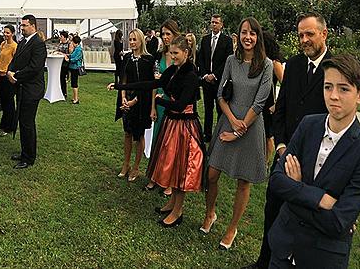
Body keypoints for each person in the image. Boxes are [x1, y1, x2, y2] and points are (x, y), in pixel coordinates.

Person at [267, 53, 360, 268]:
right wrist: (321, 198)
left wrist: (296, 188)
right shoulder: (308, 125)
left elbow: (338, 223)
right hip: (282, 247)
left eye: (343, 89)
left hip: (321, 257)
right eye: (328, 87)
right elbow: (277, 181)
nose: (333, 95)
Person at [245, 12, 332, 269]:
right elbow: (280, 109)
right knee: (272, 208)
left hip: (315, 162)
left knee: (305, 219)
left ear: (324, 34)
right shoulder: (292, 65)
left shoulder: (335, 69)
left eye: (309, 34)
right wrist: (281, 144)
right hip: (286, 155)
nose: (304, 40)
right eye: (300, 35)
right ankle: (264, 261)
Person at [109, 34, 204, 227]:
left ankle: (178, 211)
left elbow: (180, 105)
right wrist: (121, 86)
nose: (173, 56)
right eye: (171, 53)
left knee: (180, 167)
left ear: (186, 52)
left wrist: (159, 101)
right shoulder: (174, 70)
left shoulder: (191, 75)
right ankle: (172, 203)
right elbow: (150, 84)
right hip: (173, 123)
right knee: (173, 165)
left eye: (176, 53)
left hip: (184, 126)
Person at [203, 17, 273, 249]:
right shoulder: (232, 61)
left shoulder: (266, 65)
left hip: (251, 127)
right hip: (229, 121)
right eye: (244, 32)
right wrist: (232, 121)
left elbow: (260, 102)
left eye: (252, 33)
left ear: (258, 37)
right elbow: (220, 95)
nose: (248, 37)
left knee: (243, 181)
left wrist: (239, 129)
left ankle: (232, 228)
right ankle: (210, 213)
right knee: (212, 174)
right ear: (238, 35)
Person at [113, 29, 156, 183]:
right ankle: (126, 164)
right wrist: (124, 98)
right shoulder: (127, 58)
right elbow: (123, 79)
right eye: (130, 39)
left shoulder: (148, 60)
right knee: (127, 133)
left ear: (140, 41)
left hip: (141, 101)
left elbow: (149, 85)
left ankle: (136, 167)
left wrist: (135, 100)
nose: (131, 42)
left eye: (134, 39)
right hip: (127, 99)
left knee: (139, 135)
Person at [7, 15, 47, 169]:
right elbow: (15, 60)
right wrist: (10, 71)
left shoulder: (38, 44)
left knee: (27, 123)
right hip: (22, 88)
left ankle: (29, 158)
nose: (21, 28)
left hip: (31, 90)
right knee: (22, 122)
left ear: (33, 26)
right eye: (21, 25)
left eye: (24, 25)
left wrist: (15, 76)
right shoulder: (23, 41)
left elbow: (35, 67)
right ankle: (25, 151)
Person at [147, 19, 181, 193]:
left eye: (169, 33)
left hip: (174, 104)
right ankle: (154, 176)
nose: (166, 37)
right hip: (159, 104)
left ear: (175, 34)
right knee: (157, 140)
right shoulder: (158, 56)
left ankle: (168, 181)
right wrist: (152, 106)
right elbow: (154, 83)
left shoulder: (180, 57)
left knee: (171, 143)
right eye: (163, 34)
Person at [197, 14, 234, 143]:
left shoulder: (227, 41)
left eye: (216, 23)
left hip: (219, 80)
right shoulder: (205, 40)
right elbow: (200, 58)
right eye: (212, 22)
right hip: (207, 80)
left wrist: (215, 75)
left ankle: (219, 131)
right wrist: (205, 74)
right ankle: (207, 134)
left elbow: (227, 61)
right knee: (208, 108)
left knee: (220, 108)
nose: (214, 25)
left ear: (221, 25)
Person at [261, 30, 285, 160]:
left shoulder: (275, 63)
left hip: (270, 103)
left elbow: (286, 84)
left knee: (268, 135)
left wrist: (277, 104)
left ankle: (266, 162)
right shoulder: (262, 60)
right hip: (261, 100)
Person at [0, 25, 18, 135]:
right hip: (0, 75)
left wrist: (10, 73)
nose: (5, 34)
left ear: (12, 33)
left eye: (8, 33)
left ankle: (10, 126)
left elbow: (15, 63)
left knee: (9, 102)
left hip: (8, 77)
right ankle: (4, 123)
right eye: (4, 32)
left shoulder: (14, 46)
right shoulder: (2, 44)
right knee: (3, 101)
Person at [68, 34, 83, 104]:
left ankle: (76, 99)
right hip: (73, 67)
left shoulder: (79, 49)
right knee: (73, 83)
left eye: (73, 42)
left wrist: (69, 59)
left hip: (75, 68)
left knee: (74, 83)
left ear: (75, 42)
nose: (72, 43)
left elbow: (76, 58)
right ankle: (74, 97)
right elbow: (72, 55)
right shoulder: (76, 48)